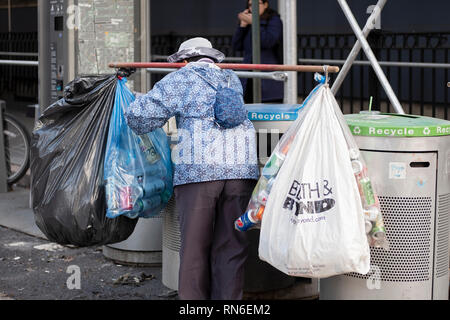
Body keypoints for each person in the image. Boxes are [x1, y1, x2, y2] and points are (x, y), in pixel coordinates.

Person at [125, 37, 259, 300]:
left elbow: (138, 117)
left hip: (200, 172)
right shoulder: (230, 79)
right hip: (241, 172)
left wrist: (126, 99)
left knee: (195, 249)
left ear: (184, 60)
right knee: (231, 248)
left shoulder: (181, 78)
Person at [232, 0, 284, 103]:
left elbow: (268, 41)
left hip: (268, 77)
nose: (253, 8)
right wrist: (242, 26)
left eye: (257, 4)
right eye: (251, 5)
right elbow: (236, 46)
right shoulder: (249, 23)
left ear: (265, 5)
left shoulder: (274, 20)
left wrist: (254, 23)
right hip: (248, 77)